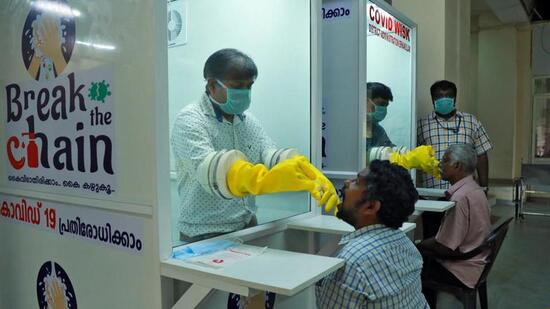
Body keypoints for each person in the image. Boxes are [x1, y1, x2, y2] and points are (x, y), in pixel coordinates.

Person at [171, 48, 337, 242]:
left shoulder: (248, 121)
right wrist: (263, 181)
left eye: (249, 86)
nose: (245, 92)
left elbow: (269, 154)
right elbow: (209, 170)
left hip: (246, 224)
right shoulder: (190, 119)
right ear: (212, 84)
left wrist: (297, 165)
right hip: (204, 233)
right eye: (237, 86)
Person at [315, 160, 428, 309]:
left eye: (356, 181)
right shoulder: (406, 244)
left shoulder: (353, 262)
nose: (347, 182)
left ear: (371, 206)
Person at [417, 144, 491, 309]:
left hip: (465, 267)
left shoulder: (460, 198)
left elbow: (445, 247)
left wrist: (419, 245)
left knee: (415, 264)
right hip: (479, 258)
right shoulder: (474, 188)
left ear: (457, 165)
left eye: (444, 161)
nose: (440, 165)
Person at [417, 80, 492, 191]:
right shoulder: (421, 126)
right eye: (439, 96)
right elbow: (416, 159)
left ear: (455, 98)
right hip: (432, 194)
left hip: (466, 193)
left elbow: (481, 156)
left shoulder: (471, 122)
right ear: (433, 100)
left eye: (448, 96)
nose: (444, 99)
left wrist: (484, 187)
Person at [366, 82, 395, 150]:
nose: (383, 109)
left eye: (386, 106)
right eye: (381, 104)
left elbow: (390, 149)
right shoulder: (349, 127)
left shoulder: (377, 130)